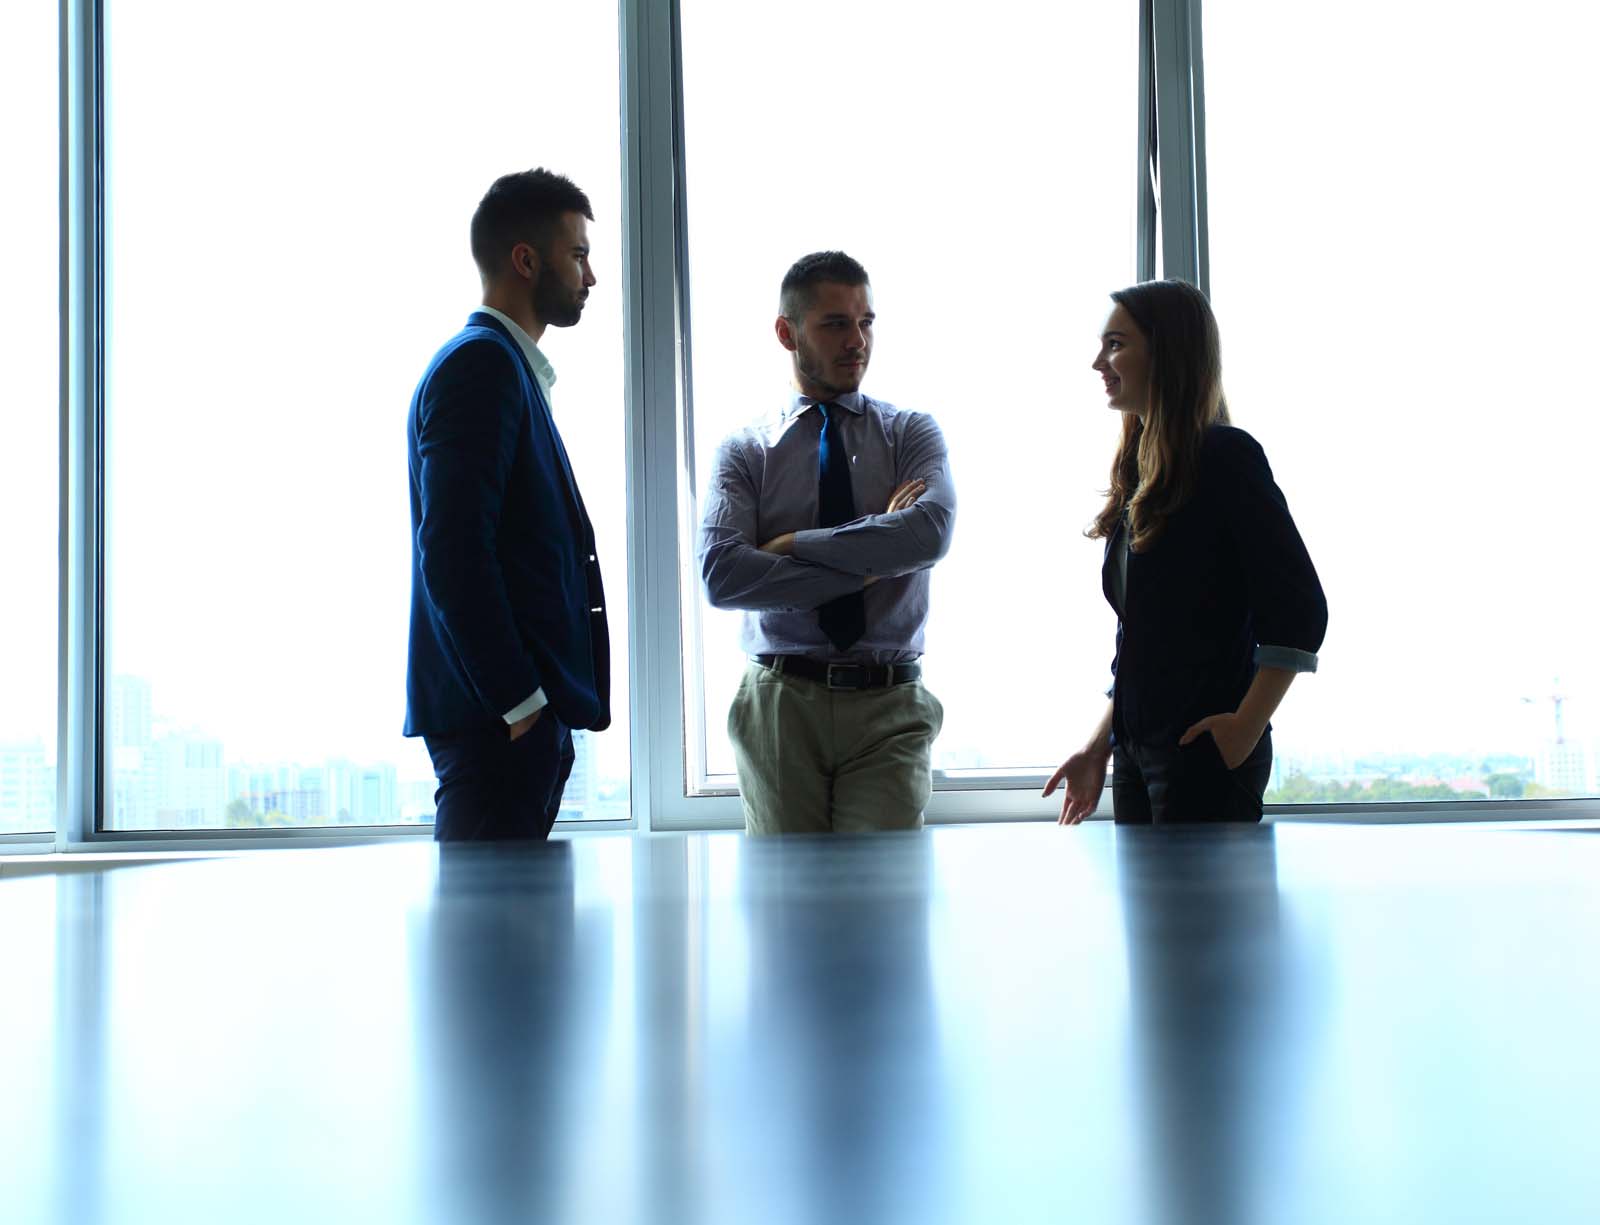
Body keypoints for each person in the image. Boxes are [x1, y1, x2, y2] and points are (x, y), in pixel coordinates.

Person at [1044, 278, 1326, 824]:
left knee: (1203, 914)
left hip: (1203, 756)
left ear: (1167, 351)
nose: (1098, 362)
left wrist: (1244, 728)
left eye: (1116, 344)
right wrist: (1100, 745)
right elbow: (1142, 642)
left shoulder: (1226, 456)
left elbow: (1301, 612)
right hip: (1135, 753)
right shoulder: (1141, 473)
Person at [698, 251, 955, 834]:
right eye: (836, 324)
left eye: (866, 322)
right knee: (790, 913)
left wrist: (791, 543)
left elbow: (928, 532)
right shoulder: (745, 450)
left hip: (889, 704)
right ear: (788, 334)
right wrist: (871, 563)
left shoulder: (912, 433)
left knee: (880, 909)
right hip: (781, 705)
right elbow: (723, 575)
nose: (857, 341)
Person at [404, 168, 611, 842]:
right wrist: (522, 706)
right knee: (487, 944)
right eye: (578, 254)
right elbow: (454, 551)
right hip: (498, 730)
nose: (591, 276)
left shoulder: (505, 369)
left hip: (511, 727)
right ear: (526, 260)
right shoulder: (482, 366)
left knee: (511, 944)